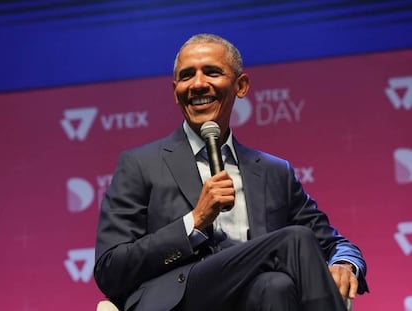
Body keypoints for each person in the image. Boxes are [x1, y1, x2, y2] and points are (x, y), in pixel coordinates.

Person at [94, 33, 369, 311]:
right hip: (178, 300)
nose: (199, 84)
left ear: (241, 85)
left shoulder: (275, 172)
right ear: (175, 90)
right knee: (294, 240)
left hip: (254, 298)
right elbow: (110, 268)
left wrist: (344, 264)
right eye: (187, 76)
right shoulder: (140, 164)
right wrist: (195, 222)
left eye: (212, 72)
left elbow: (333, 242)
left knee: (277, 286)